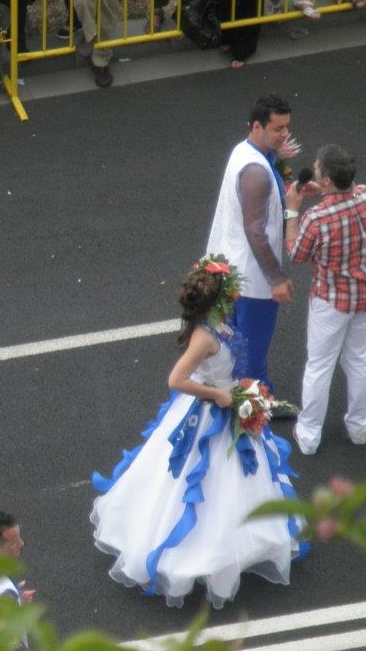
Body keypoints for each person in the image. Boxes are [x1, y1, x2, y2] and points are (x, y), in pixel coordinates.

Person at [91, 256, 307, 608]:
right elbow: (176, 379)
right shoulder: (204, 337)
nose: (237, 294)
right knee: (202, 482)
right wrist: (218, 394)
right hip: (209, 414)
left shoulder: (218, 323)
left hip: (232, 401)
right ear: (222, 297)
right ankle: (202, 553)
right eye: (233, 290)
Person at [285, 144, 366, 455]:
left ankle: (309, 436)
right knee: (360, 360)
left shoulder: (316, 218)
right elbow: (351, 197)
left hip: (331, 302)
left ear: (326, 180)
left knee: (320, 367)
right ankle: (360, 429)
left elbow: (296, 254)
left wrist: (292, 210)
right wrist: (324, 191)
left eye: (317, 169)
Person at [206, 94, 295, 398]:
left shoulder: (243, 151)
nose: (285, 134)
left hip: (229, 270)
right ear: (257, 127)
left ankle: (238, 400)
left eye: (286, 127)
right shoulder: (256, 172)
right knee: (252, 356)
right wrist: (277, 279)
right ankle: (255, 408)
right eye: (278, 129)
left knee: (231, 349)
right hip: (253, 282)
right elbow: (255, 231)